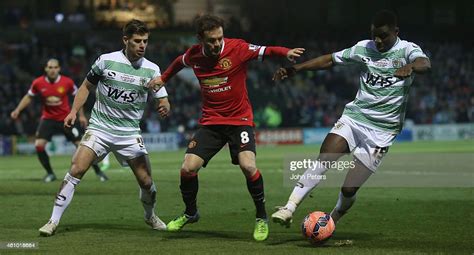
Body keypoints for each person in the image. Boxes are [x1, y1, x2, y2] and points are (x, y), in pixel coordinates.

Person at [147, 14, 304, 241]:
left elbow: (265, 50)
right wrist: (163, 78)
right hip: (211, 122)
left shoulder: (237, 48)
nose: (217, 43)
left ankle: (261, 217)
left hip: (239, 120)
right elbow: (179, 62)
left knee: (248, 166)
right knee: (187, 168)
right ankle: (191, 213)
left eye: (219, 38)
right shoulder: (194, 54)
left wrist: (285, 52)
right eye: (211, 40)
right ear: (200, 39)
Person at [271, 10, 431, 227]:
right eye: (374, 35)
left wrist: (411, 66)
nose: (378, 40)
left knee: (349, 189)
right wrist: (296, 69)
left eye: (383, 35)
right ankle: (289, 207)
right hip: (355, 118)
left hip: (383, 130)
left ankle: (332, 219)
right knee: (325, 157)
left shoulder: (407, 50)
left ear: (396, 32)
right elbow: (330, 59)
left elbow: (425, 64)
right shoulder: (364, 48)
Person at [38, 19, 170, 236]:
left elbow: (163, 99)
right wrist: (73, 111)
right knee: (76, 169)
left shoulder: (152, 69)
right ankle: (52, 221)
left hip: (129, 134)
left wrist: (164, 106)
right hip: (100, 128)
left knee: (147, 182)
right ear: (125, 40)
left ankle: (150, 216)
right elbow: (85, 87)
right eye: (137, 41)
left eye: (145, 41)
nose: (142, 45)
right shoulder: (106, 61)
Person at [10, 59, 109, 182]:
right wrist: (17, 110)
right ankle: (50, 173)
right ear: (46, 69)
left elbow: (78, 96)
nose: (52, 70)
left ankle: (99, 172)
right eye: (50, 67)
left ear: (59, 69)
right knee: (39, 146)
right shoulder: (38, 83)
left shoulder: (67, 82)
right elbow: (29, 96)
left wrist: (81, 116)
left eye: (55, 67)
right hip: (48, 119)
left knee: (82, 146)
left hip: (65, 119)